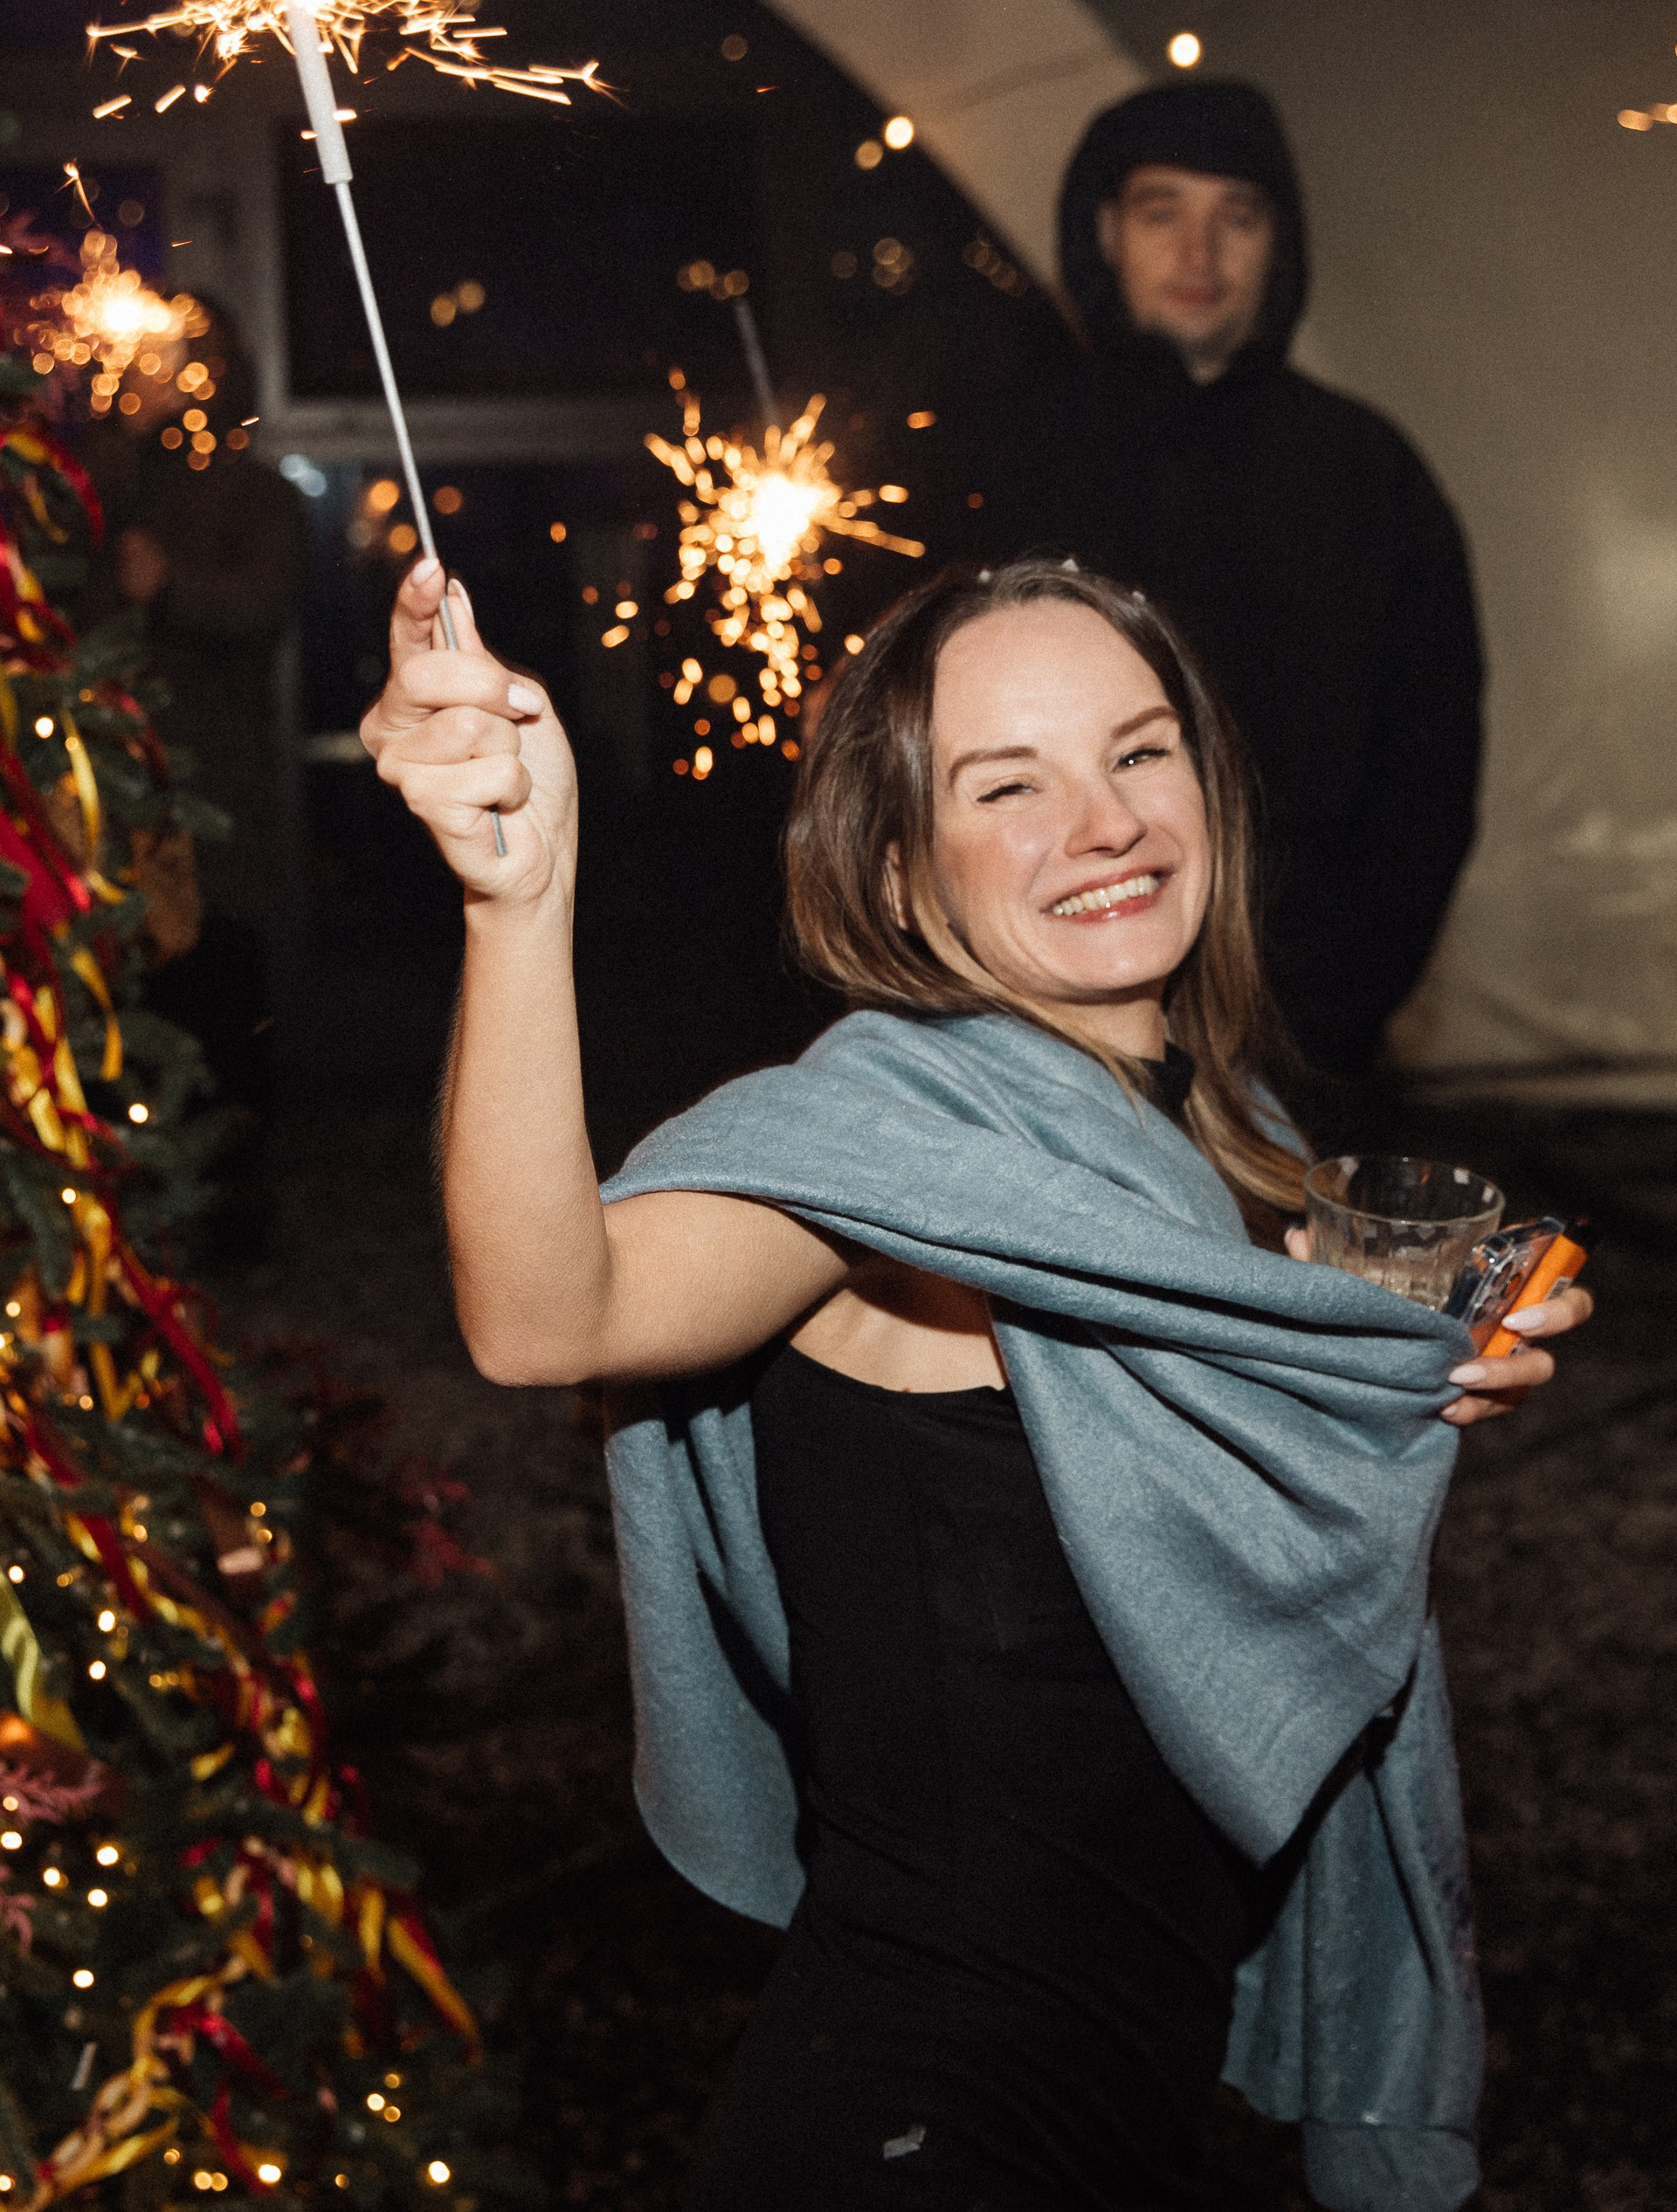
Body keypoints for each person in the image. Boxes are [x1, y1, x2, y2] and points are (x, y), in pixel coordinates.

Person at [361, 554, 1586, 2212]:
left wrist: (1373, 1371)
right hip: (923, 2123)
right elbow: (542, 1315)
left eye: (1140, 752)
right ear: (897, 867)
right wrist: (518, 904)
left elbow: (1203, 1473)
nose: (1109, 823)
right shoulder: (889, 1147)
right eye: (1009, 786)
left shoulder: (1227, 1141)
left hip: (1123, 2105)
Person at [1031, 79, 1484, 1089]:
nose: (1199, 255)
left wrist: (1328, 1013)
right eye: (1163, 213)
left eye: (1236, 218)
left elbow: (1430, 769)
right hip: (1039, 1039)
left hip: (1307, 1047)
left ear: (1279, 241)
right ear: (1104, 231)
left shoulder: (1368, 474)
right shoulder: (1007, 457)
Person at [79, 296, 307, 1258]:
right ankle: (128, 1214)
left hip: (221, 793)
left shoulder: (260, 495)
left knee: (224, 1000)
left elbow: (262, 605)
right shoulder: (116, 481)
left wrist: (170, 588)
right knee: (134, 1000)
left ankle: (233, 1212)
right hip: (116, 791)